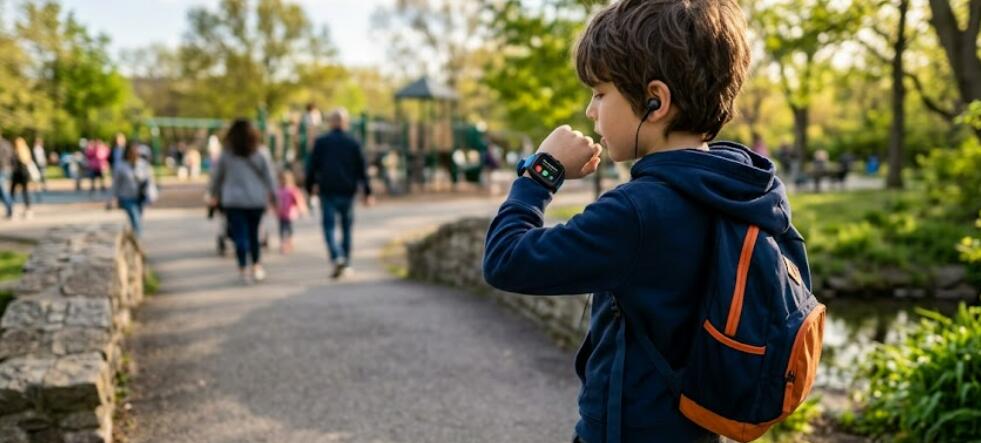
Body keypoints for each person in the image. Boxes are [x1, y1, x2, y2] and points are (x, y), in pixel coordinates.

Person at [481, 1, 796, 441]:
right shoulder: (744, 187)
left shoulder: (637, 213)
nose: (591, 111)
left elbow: (505, 260)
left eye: (600, 92)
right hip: (700, 427)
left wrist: (542, 172)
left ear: (655, 100)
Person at [306, 108, 375, 279]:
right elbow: (362, 169)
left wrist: (309, 187)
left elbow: (312, 167)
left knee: (328, 226)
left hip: (328, 189)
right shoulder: (353, 142)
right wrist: (367, 191)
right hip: (347, 190)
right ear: (346, 122)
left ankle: (337, 257)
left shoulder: (322, 142)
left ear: (330, 122)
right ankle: (346, 261)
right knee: (346, 227)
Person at [209, 119, 278, 285]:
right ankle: (256, 266)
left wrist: (213, 194)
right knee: (254, 235)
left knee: (240, 235)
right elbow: (270, 177)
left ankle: (243, 269)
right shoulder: (261, 153)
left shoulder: (227, 154)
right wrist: (274, 195)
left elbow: (217, 177)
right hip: (256, 200)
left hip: (233, 201)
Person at [112, 144, 157, 236]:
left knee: (137, 219)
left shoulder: (143, 165)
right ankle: (137, 239)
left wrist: (152, 195)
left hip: (140, 197)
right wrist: (114, 197)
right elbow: (116, 184)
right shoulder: (121, 167)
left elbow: (150, 181)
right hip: (126, 197)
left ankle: (132, 236)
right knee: (135, 218)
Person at [275, 170, 307, 254]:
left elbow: (298, 199)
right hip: (281, 213)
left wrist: (301, 209)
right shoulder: (279, 190)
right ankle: (283, 243)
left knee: (289, 229)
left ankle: (289, 242)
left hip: (289, 213)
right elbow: (274, 200)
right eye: (281, 179)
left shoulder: (292, 189)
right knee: (281, 229)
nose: (283, 181)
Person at [11, 138, 35, 218]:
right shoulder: (26, 151)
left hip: (18, 174)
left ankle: (12, 208)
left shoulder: (16, 152)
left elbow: (13, 163)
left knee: (12, 191)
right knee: (25, 191)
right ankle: (28, 209)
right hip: (25, 174)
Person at [0, 136, 14, 218]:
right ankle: (9, 207)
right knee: (1, 191)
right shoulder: (6, 143)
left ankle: (10, 208)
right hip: (5, 168)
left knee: (3, 190)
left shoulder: (4, 144)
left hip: (3, 169)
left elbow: (8, 157)